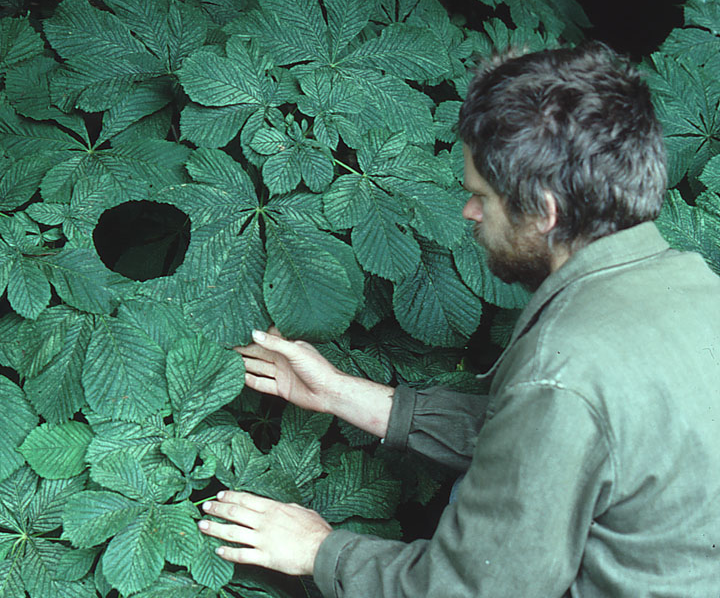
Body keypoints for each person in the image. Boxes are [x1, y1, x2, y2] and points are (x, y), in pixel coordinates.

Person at [196, 44, 720, 596]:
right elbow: (554, 447)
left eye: (481, 196)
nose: (468, 212)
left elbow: (473, 589)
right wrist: (342, 394)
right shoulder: (694, 289)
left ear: (545, 211)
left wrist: (318, 550)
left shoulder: (564, 364)